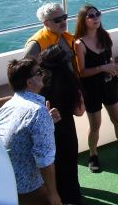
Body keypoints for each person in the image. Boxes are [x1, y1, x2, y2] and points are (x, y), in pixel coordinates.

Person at [74, 4, 118, 172]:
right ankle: (93, 155)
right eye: (91, 16)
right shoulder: (80, 44)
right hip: (92, 89)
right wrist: (102, 68)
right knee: (95, 125)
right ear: (83, 20)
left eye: (97, 14)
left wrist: (115, 68)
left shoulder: (104, 36)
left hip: (109, 84)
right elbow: (82, 72)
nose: (96, 18)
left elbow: (111, 59)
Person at [0, 58, 62, 205]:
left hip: (7, 180)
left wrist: (48, 121)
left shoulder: (8, 105)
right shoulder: (37, 112)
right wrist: (53, 194)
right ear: (29, 82)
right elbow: (44, 160)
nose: (43, 74)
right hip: (28, 186)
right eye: (39, 72)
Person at [39, 45, 85, 205]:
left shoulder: (40, 85)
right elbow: (79, 112)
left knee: (52, 168)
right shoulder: (72, 82)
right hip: (67, 131)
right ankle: (72, 198)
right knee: (69, 167)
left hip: (45, 132)